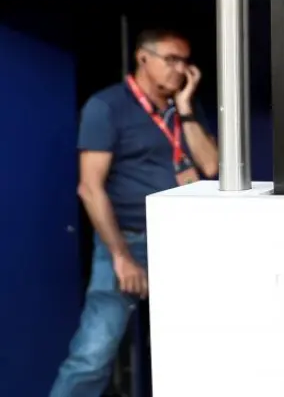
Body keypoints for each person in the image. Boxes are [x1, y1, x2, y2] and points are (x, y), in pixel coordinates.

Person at [49, 29, 217, 397]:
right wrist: (121, 257)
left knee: (196, 349)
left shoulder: (184, 108)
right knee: (93, 355)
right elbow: (90, 187)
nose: (181, 70)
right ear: (143, 58)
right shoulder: (107, 106)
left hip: (183, 244)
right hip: (128, 242)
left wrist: (185, 108)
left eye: (185, 62)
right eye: (171, 60)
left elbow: (210, 165)